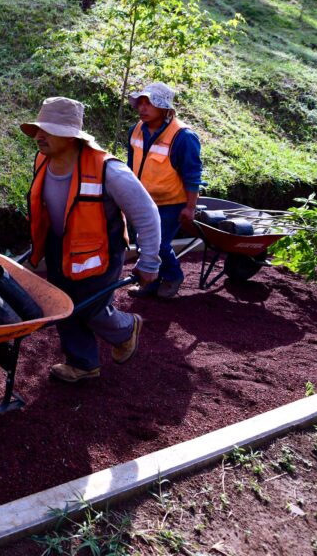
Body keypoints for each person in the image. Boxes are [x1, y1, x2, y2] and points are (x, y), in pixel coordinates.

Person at [22, 96, 161, 382]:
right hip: (60, 245)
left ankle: (125, 328)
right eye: (38, 129)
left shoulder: (109, 170)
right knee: (63, 304)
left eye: (47, 130)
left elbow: (146, 214)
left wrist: (149, 260)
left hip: (102, 249)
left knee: (89, 306)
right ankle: (82, 363)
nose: (38, 136)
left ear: (72, 137)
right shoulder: (42, 160)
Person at [125, 83, 202, 300]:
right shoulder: (136, 130)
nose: (142, 108)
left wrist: (190, 207)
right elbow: (131, 167)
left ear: (164, 107)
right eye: (140, 102)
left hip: (171, 202)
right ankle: (150, 281)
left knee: (158, 244)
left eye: (149, 103)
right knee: (142, 242)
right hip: (143, 199)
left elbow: (192, 175)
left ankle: (172, 276)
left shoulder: (183, 137)